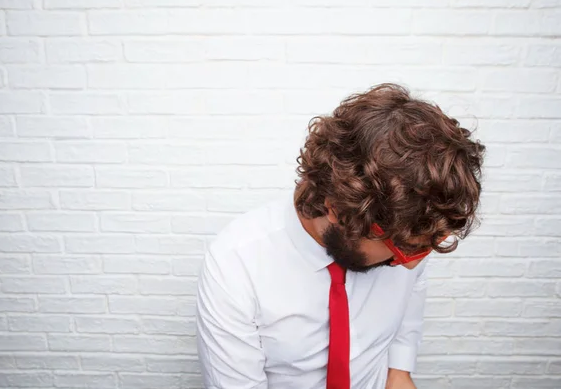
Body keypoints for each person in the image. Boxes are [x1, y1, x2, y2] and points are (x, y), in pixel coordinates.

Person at [195, 83, 485, 389]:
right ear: (337, 209)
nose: (411, 266)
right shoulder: (235, 266)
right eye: (403, 251)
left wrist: (399, 371)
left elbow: (405, 322)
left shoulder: (409, 229)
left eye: (424, 249)